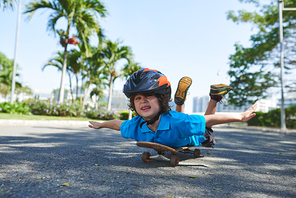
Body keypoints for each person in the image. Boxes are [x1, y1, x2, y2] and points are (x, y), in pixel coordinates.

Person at [88, 68, 257, 148]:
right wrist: (100, 124)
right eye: (138, 98)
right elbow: (118, 124)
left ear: (161, 99)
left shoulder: (179, 122)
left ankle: (213, 98)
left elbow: (209, 119)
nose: (142, 101)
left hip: (191, 135)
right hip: (176, 123)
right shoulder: (136, 124)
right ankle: (182, 102)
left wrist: (240, 117)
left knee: (207, 130)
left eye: (148, 96)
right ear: (133, 105)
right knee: (178, 119)